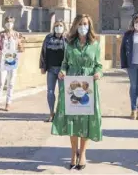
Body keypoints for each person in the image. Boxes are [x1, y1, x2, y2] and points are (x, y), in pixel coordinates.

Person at [52, 14, 103, 170]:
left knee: (86, 120)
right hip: (72, 85)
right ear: (76, 26)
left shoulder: (95, 44)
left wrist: (98, 74)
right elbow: (65, 63)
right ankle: (73, 153)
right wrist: (62, 71)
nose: (83, 26)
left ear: (90, 26)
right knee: (72, 120)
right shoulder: (70, 44)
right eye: (80, 24)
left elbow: (99, 65)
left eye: (86, 24)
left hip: (88, 86)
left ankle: (83, 154)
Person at [0, 16, 25, 112]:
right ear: (4, 23)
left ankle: (8, 102)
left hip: (13, 60)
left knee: (11, 82)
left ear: (13, 23)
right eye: (7, 22)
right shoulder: (0, 35)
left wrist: (20, 46)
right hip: (2, 60)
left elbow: (22, 49)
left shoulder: (17, 35)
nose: (9, 23)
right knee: (1, 81)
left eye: (11, 22)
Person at [39, 20, 67, 122]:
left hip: (62, 71)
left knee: (62, 92)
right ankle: (51, 113)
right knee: (50, 92)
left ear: (64, 27)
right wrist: (42, 66)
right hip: (51, 69)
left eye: (60, 26)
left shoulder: (67, 39)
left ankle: (61, 113)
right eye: (56, 26)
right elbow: (43, 52)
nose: (58, 27)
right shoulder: (48, 38)